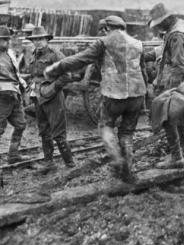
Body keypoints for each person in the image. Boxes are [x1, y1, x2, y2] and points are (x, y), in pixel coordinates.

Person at [44, 16, 147, 183]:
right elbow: (143, 72)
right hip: (137, 94)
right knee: (127, 133)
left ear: (107, 28)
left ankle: (117, 159)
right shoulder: (138, 43)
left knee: (105, 126)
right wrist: (143, 98)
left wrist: (54, 68)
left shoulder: (103, 42)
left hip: (114, 95)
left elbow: (79, 59)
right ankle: (128, 169)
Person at [147, 3, 184, 169]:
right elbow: (166, 51)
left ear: (167, 19)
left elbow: (178, 65)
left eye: (160, 23)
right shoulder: (182, 26)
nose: (159, 27)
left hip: (183, 80)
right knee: (181, 120)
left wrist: (171, 91)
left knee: (167, 116)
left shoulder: (176, 34)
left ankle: (177, 157)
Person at [28, 26, 75, 174]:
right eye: (35, 39)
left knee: (58, 133)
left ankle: (70, 165)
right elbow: (35, 76)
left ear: (47, 40)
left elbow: (67, 75)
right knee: (43, 131)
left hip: (53, 98)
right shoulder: (34, 55)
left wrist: (52, 88)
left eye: (40, 39)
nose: (38, 42)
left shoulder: (55, 54)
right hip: (39, 98)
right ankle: (49, 163)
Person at [0, 26, 27, 164]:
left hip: (14, 94)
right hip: (1, 96)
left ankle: (13, 154)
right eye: (2, 40)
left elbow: (15, 73)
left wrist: (23, 85)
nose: (5, 43)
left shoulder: (10, 53)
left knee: (20, 124)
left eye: (6, 40)